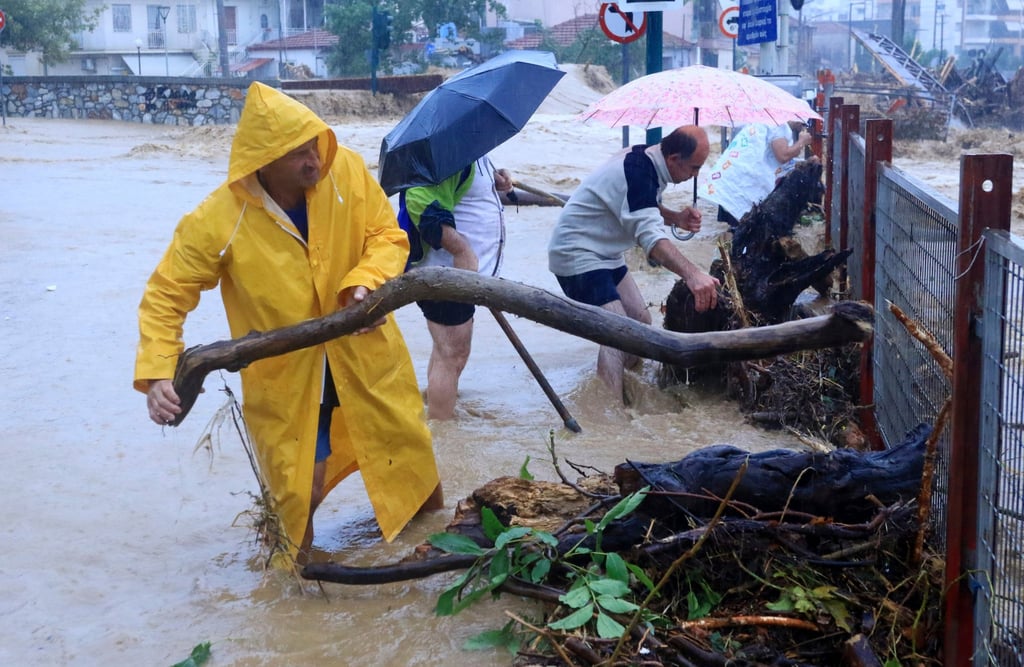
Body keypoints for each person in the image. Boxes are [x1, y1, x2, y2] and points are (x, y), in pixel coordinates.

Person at [135, 81, 443, 566]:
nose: (314, 160)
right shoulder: (220, 218)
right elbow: (167, 293)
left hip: (365, 353)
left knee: (411, 459)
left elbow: (387, 234)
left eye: (314, 145)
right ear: (264, 160)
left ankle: (432, 554)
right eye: (298, 153)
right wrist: (158, 371)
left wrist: (365, 284)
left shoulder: (344, 171)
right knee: (301, 484)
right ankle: (288, 583)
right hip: (289, 374)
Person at [548, 125, 721, 403]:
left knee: (640, 322)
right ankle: (610, 417)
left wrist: (675, 217)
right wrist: (693, 275)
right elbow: (652, 242)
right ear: (674, 158)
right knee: (615, 333)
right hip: (576, 255)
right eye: (694, 168)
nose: (695, 175)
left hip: (605, 254)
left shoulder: (646, 158)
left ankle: (622, 389)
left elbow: (640, 205)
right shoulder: (639, 172)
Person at [401, 155, 512, 420]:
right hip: (446, 275)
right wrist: (460, 248)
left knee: (448, 351)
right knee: (452, 354)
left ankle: (435, 410)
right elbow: (419, 199)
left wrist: (494, 180)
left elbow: (462, 189)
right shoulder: (446, 154)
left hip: (462, 275)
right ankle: (443, 430)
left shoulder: (472, 151)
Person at [703, 120, 815, 227]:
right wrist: (801, 142)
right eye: (804, 123)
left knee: (737, 228)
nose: (803, 126)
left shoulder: (765, 122)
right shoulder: (779, 126)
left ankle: (725, 246)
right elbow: (783, 155)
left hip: (735, 179)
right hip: (744, 184)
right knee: (742, 228)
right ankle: (726, 247)